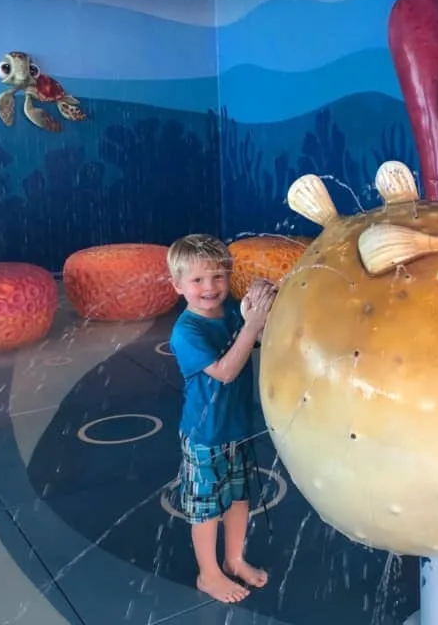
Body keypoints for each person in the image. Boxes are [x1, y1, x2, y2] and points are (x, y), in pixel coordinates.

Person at [166, 233, 277, 604]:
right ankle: (208, 574)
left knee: (238, 498)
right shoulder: (187, 331)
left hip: (237, 427)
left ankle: (234, 559)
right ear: (178, 285)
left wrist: (259, 310)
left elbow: (252, 340)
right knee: (205, 507)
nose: (210, 288)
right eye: (197, 281)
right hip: (205, 434)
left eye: (218, 277)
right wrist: (250, 326)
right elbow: (227, 370)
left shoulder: (230, 310)